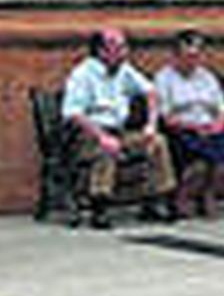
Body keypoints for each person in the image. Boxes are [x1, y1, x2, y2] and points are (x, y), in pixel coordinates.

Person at [60, 25, 176, 228]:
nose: (124, 53)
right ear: (101, 51)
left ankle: (155, 200)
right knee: (106, 148)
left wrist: (151, 124)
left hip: (120, 132)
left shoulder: (124, 71)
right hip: (87, 135)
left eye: (125, 47)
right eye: (118, 48)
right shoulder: (82, 74)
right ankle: (100, 207)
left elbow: (151, 93)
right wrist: (101, 136)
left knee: (157, 142)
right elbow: (73, 114)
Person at [153, 29, 224, 219]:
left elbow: (223, 108)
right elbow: (166, 117)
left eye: (197, 55)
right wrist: (194, 128)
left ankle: (208, 193)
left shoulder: (207, 77)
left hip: (209, 127)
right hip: (182, 130)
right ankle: (183, 197)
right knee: (198, 160)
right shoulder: (164, 78)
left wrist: (218, 124)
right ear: (175, 55)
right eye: (187, 56)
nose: (192, 60)